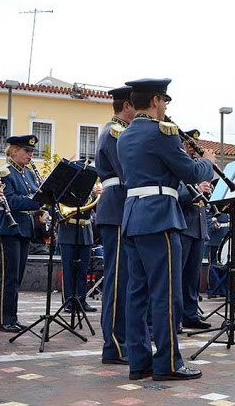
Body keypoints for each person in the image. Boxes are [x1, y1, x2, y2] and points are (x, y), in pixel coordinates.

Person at [117, 78, 214, 381]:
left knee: (137, 293)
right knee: (165, 294)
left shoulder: (125, 135)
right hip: (160, 217)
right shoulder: (162, 133)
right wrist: (207, 162)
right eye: (165, 102)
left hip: (133, 216)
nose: (166, 109)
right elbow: (189, 171)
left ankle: (139, 361)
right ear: (157, 100)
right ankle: (169, 362)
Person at [95, 85, 135, 365]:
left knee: (124, 279)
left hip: (121, 207)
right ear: (127, 106)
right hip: (117, 207)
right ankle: (114, 345)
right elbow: (129, 171)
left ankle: (122, 340)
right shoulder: (115, 132)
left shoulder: (118, 130)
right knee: (117, 280)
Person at [0, 135, 42, 333]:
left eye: (31, 151)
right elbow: (11, 201)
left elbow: (31, 196)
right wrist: (37, 200)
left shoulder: (28, 173)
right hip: (7, 227)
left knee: (17, 276)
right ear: (14, 150)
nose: (31, 154)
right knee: (9, 275)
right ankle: (5, 319)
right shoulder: (5, 171)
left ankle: (12, 316)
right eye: (27, 151)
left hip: (23, 228)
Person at [177, 129, 212, 331]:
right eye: (190, 145)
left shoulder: (197, 168)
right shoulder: (181, 166)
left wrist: (207, 190)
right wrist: (198, 190)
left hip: (198, 225)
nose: (193, 150)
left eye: (195, 146)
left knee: (192, 276)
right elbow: (179, 194)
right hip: (184, 224)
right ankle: (178, 315)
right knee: (179, 275)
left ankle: (190, 314)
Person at [57, 168, 100, 315]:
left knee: (83, 270)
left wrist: (98, 196)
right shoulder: (66, 189)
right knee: (68, 269)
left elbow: (96, 211)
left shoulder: (90, 192)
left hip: (85, 231)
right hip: (68, 230)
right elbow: (56, 210)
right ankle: (68, 300)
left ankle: (82, 299)